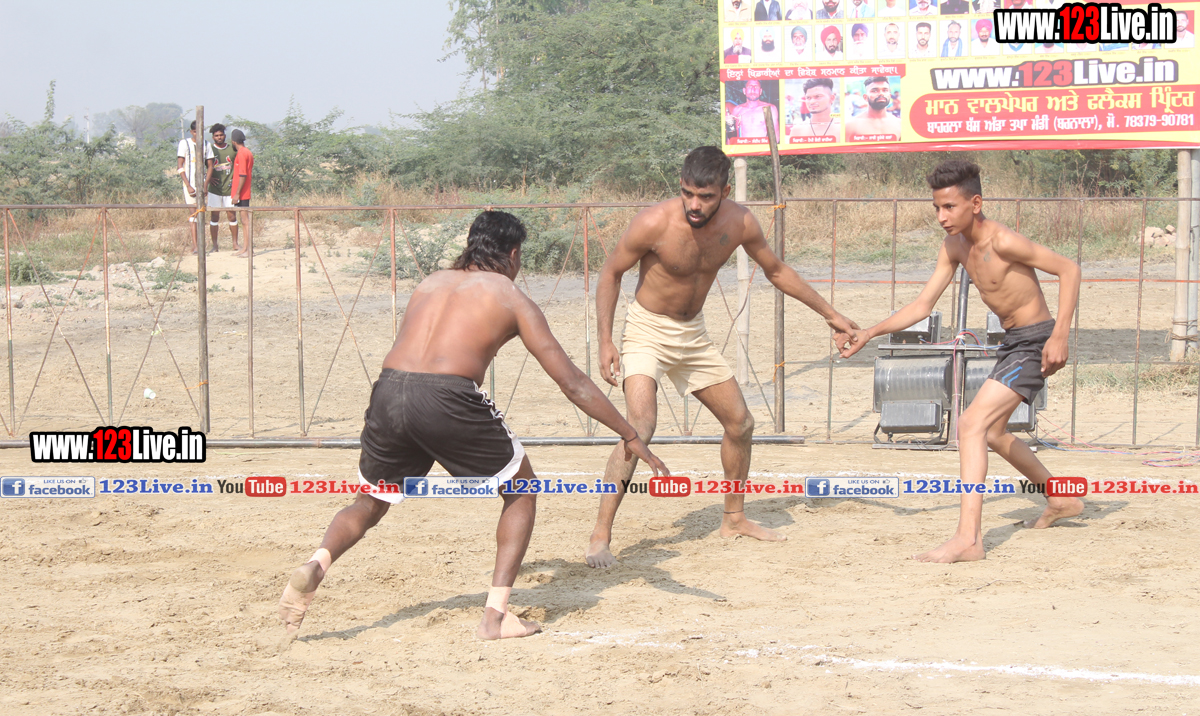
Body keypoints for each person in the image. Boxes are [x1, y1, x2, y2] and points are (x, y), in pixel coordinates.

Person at [278, 211, 668, 640]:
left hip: (389, 390)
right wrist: (629, 433)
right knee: (521, 490)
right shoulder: (509, 296)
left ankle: (317, 562)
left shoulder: (430, 283)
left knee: (371, 500)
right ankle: (495, 617)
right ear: (513, 254)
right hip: (446, 395)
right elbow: (572, 382)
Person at [585, 147, 858, 568]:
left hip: (693, 334)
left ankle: (733, 518)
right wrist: (605, 340)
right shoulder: (653, 222)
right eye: (687, 193)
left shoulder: (740, 222)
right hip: (646, 330)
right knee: (639, 426)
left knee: (741, 423)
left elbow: (777, 271)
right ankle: (600, 534)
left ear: (724, 192)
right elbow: (610, 273)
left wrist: (831, 315)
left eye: (706, 196)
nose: (694, 204)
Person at [836, 161, 1082, 563]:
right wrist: (869, 332)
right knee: (993, 433)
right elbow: (922, 305)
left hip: (1035, 342)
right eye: (937, 208)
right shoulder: (953, 247)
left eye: (949, 207)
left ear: (976, 203)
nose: (941, 217)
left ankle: (969, 539)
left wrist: (1060, 336)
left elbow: (1069, 269)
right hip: (1013, 343)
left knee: (970, 424)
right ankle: (1060, 498)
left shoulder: (1004, 241)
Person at [176, 121, 215, 255]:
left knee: (201, 213)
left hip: (201, 184)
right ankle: (195, 245)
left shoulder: (206, 145)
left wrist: (205, 185)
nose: (197, 134)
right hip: (190, 185)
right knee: (193, 214)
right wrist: (188, 185)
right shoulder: (184, 144)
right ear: (191, 132)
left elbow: (210, 166)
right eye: (195, 132)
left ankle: (202, 243)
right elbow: (180, 166)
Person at [206, 123, 238, 254]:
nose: (219, 137)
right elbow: (203, 167)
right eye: (216, 135)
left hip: (229, 189)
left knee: (232, 216)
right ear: (213, 137)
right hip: (214, 190)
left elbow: (238, 166)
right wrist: (208, 179)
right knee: (214, 217)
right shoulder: (209, 150)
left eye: (221, 135)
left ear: (225, 135)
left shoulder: (232, 150)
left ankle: (235, 244)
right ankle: (215, 245)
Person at [229, 129, 254, 258]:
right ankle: (245, 248)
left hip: (243, 193)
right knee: (244, 220)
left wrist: (237, 193)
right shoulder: (247, 152)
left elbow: (243, 175)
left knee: (245, 220)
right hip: (243, 191)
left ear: (233, 141)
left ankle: (248, 249)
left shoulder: (242, 153)